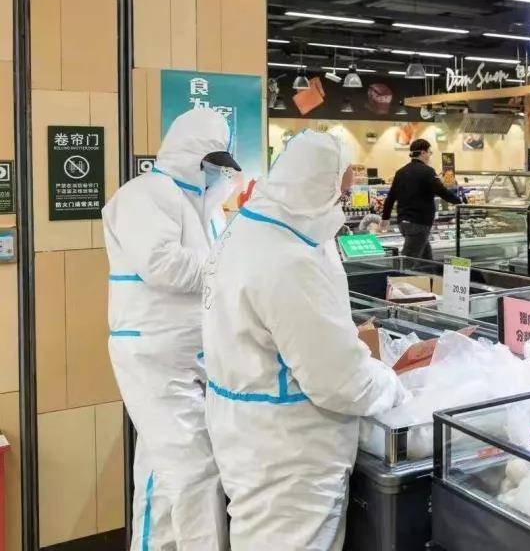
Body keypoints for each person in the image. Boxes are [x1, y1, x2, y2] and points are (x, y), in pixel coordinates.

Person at [203, 130, 406, 551]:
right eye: (339, 194)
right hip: (290, 456)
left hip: (248, 434)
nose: (341, 205)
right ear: (318, 187)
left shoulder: (251, 226)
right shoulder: (290, 258)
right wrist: (393, 386)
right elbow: (338, 381)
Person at [102, 108, 239, 551]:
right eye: (211, 163)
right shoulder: (143, 195)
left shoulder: (205, 208)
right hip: (153, 354)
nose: (217, 174)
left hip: (189, 354)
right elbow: (162, 265)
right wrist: (232, 265)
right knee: (195, 469)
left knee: (163, 472)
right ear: (188, 154)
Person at [379, 139, 462, 259]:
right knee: (409, 260)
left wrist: (385, 218)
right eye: (429, 152)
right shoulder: (428, 172)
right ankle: (403, 272)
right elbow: (442, 192)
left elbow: (391, 197)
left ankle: (430, 270)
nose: (430, 155)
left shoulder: (400, 172)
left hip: (403, 222)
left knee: (426, 259)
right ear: (423, 152)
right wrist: (460, 202)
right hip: (419, 223)